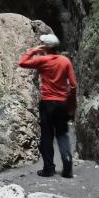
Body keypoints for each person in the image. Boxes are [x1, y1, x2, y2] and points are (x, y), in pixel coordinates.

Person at [19, 32, 77, 178]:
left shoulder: (42, 60)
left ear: (46, 46)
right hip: (62, 102)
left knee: (47, 135)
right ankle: (67, 163)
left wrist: (33, 51)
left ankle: (49, 168)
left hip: (47, 102)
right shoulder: (65, 61)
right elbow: (73, 85)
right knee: (62, 134)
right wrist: (71, 104)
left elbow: (22, 62)